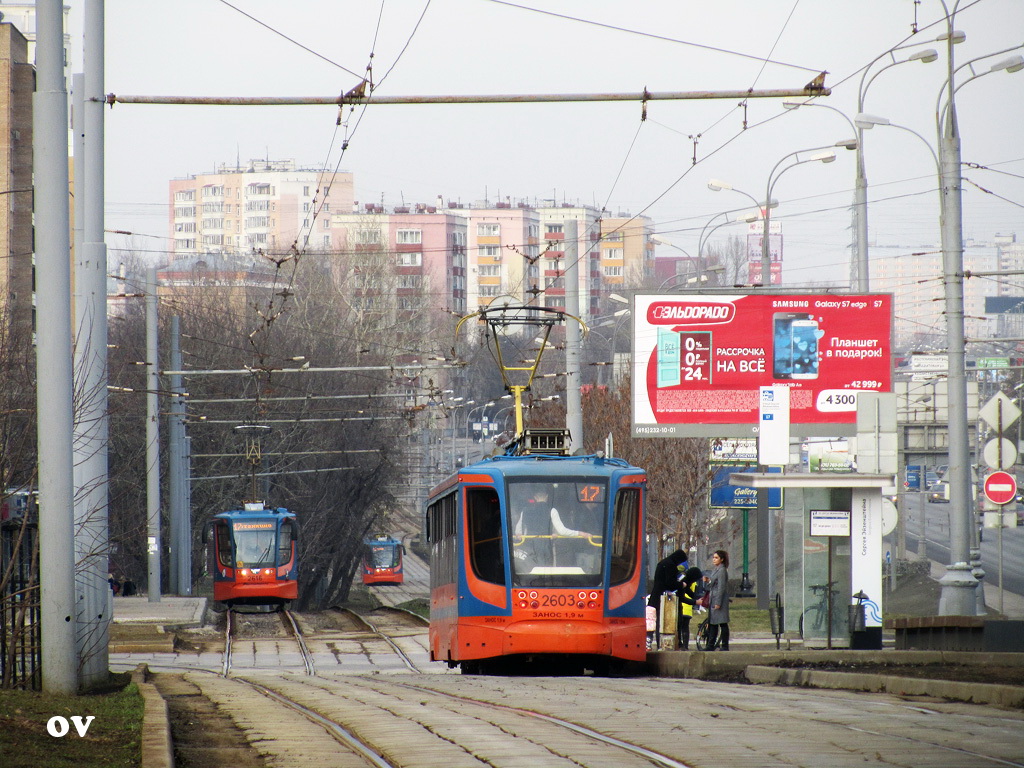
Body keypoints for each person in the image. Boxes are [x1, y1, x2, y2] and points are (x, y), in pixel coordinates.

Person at [647, 549, 688, 646]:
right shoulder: (671, 565)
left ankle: (656, 643)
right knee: (663, 621)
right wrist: (681, 584)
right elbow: (670, 583)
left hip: (655, 595)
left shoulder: (662, 563)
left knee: (657, 622)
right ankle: (662, 644)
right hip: (664, 598)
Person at [704, 549, 731, 651]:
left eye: (716, 558)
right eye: (713, 558)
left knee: (722, 622)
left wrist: (718, 603)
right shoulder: (716, 569)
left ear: (722, 559)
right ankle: (711, 645)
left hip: (719, 600)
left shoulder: (722, 570)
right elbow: (714, 583)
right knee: (713, 622)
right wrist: (708, 581)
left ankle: (724, 645)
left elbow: (721, 587)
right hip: (713, 598)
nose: (714, 560)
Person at [676, 566, 704, 650]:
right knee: (680, 625)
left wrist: (697, 598)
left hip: (680, 605)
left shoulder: (686, 580)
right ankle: (680, 644)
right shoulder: (683, 580)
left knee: (681, 625)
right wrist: (696, 602)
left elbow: (688, 591)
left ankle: (683, 646)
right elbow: (682, 598)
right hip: (675, 604)